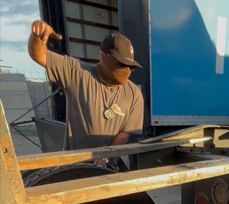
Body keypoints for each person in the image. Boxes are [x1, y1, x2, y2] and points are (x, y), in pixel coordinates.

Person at [28, 20, 144, 158]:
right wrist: (37, 37)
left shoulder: (133, 94)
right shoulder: (77, 73)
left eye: (130, 66)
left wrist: (104, 156)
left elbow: (125, 134)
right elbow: (39, 55)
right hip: (74, 164)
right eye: (120, 64)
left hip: (108, 164)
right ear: (103, 57)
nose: (126, 70)